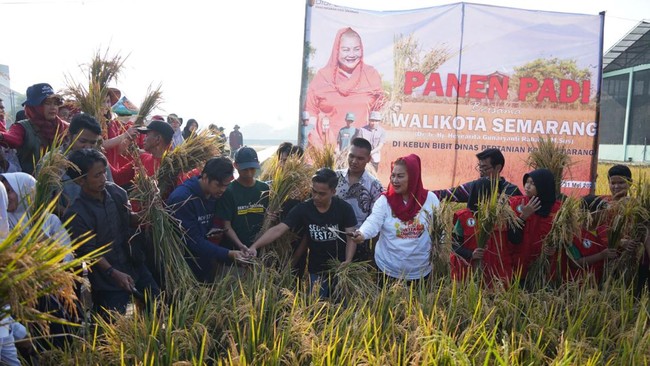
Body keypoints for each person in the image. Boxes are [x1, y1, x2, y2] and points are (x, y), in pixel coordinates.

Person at [63, 149, 159, 316]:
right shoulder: (76, 214)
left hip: (133, 264)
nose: (103, 179)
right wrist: (113, 273)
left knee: (157, 303)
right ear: (80, 180)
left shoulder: (116, 192)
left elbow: (128, 218)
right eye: (96, 175)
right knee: (109, 328)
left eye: (103, 173)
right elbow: (90, 252)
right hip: (106, 281)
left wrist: (150, 212)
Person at [247, 168, 358, 298]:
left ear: (333, 192)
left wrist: (348, 260)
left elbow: (351, 236)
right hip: (316, 269)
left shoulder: (344, 208)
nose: (316, 197)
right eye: (314, 191)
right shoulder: (304, 209)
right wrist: (255, 246)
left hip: (339, 268)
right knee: (317, 306)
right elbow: (279, 229)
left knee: (340, 305)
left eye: (321, 194)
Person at [351, 154, 440, 283]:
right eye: (393, 175)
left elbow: (439, 230)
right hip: (388, 269)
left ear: (414, 177)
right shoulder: (384, 201)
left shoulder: (430, 200)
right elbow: (373, 221)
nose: (394, 180)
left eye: (400, 176)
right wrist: (362, 233)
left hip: (420, 271)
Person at [167, 157, 246, 282]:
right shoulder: (182, 198)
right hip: (182, 266)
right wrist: (228, 254)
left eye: (225, 186)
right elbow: (193, 241)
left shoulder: (216, 194)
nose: (222, 190)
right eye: (218, 185)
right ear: (204, 176)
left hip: (205, 261)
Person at [304, 27, 385, 148]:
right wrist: (323, 145)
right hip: (326, 150)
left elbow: (380, 110)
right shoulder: (322, 77)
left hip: (361, 151)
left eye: (356, 49)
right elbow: (310, 113)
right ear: (337, 51)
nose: (351, 55)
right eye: (346, 50)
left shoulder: (371, 74)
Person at [0, 83, 69, 175]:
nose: (53, 107)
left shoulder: (65, 127)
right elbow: (13, 139)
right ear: (34, 107)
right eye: (47, 103)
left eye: (56, 103)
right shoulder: (21, 127)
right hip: (29, 186)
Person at [508, 169, 561, 282]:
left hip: (544, 270)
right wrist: (523, 217)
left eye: (533, 183)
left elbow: (566, 238)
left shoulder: (558, 209)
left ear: (544, 185)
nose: (527, 186)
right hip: (518, 268)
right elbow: (512, 238)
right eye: (527, 182)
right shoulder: (516, 203)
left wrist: (555, 247)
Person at [335, 137, 384, 261]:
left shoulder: (375, 186)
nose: (354, 161)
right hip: (332, 239)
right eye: (351, 156)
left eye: (360, 158)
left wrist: (374, 253)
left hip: (359, 241)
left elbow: (376, 221)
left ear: (368, 159)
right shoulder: (334, 178)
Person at [216, 147, 269, 252]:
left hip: (259, 250)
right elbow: (226, 225)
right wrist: (240, 246)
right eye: (245, 169)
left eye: (252, 168)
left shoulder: (264, 189)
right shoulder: (228, 191)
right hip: (234, 251)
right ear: (235, 165)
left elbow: (267, 217)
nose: (249, 173)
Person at [433, 148, 522, 203]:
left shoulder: (512, 191)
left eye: (485, 168)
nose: (481, 172)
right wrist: (425, 195)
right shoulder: (474, 186)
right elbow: (447, 194)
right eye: (480, 167)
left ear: (498, 168)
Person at [563, 195, 615, 283]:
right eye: (603, 211)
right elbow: (574, 262)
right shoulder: (573, 234)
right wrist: (601, 255)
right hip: (580, 285)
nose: (606, 214)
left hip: (600, 282)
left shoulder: (603, 229)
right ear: (591, 213)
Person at [111, 120, 174, 187]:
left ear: (158, 139)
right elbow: (117, 177)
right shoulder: (141, 158)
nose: (144, 139)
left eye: (147, 135)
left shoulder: (171, 167)